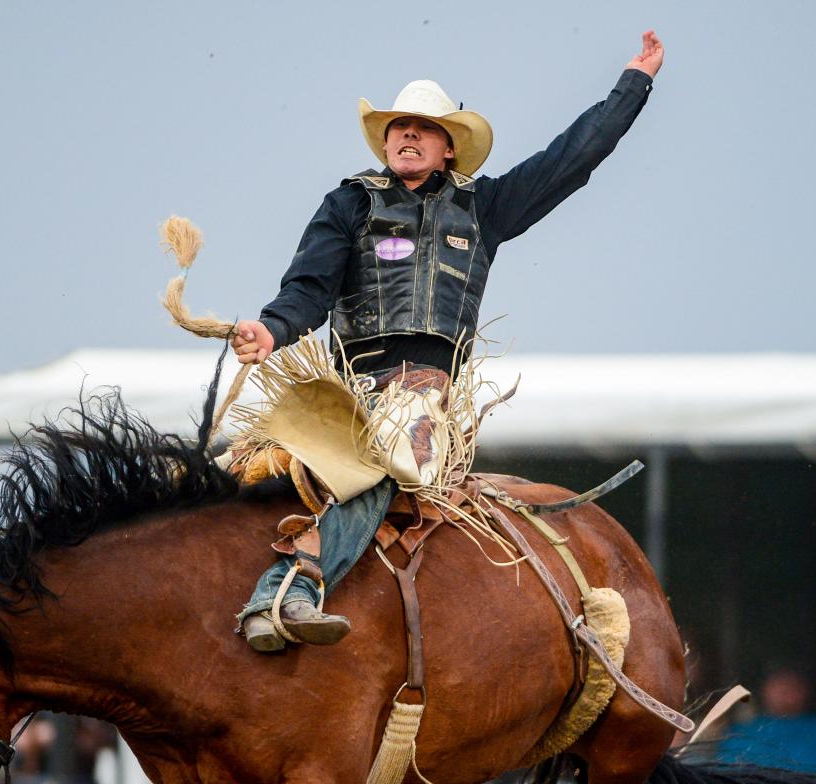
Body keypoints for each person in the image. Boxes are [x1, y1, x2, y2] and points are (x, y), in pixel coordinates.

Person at [231, 31, 665, 652]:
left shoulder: (485, 208)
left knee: (396, 458)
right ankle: (259, 587)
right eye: (398, 127)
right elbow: (307, 288)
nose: (408, 135)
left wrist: (634, 83)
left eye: (424, 128)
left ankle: (291, 586)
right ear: (385, 143)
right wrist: (270, 329)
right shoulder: (348, 203)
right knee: (248, 473)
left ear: (448, 148)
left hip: (430, 402)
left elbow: (574, 156)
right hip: (348, 394)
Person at [716, 667, 816, 777]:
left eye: (793, 685)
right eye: (778, 684)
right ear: (765, 689)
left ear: (805, 690)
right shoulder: (737, 732)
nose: (785, 691)